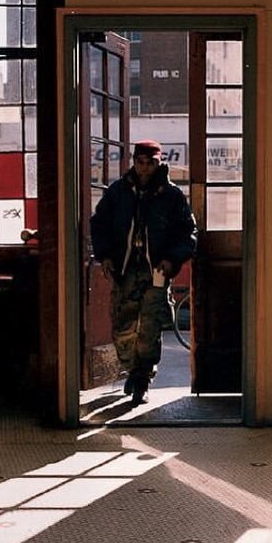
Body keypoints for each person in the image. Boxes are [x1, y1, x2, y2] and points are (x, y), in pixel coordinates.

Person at [89, 139, 197, 404]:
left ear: (160, 163)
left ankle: (142, 378)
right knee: (122, 326)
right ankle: (133, 368)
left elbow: (188, 232)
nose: (145, 168)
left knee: (149, 326)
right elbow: (99, 224)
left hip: (157, 270)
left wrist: (173, 259)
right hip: (125, 269)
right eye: (140, 162)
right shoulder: (118, 192)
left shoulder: (171, 196)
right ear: (134, 162)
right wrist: (104, 256)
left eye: (151, 163)